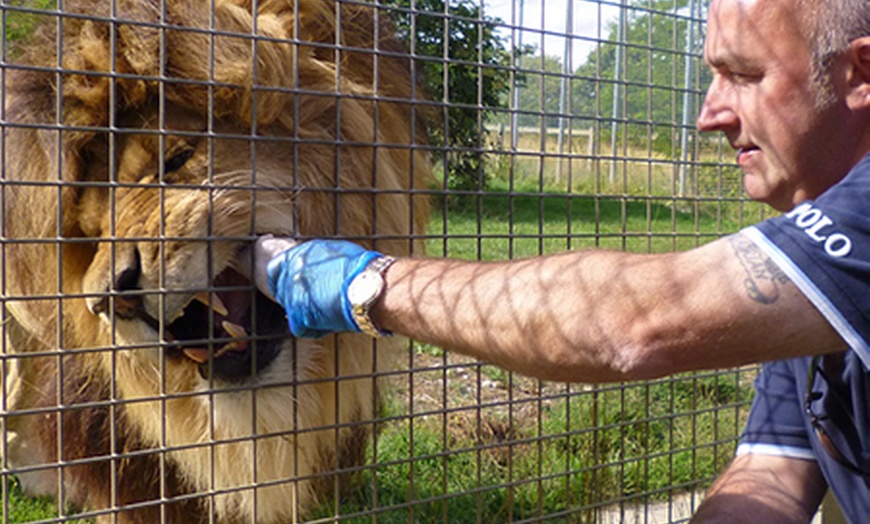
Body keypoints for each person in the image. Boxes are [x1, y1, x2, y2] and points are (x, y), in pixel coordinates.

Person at [245, 0, 870, 521]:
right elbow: (774, 471)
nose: (709, 114)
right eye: (712, 75)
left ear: (859, 72)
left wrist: (363, 282)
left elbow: (633, 325)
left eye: (744, 74)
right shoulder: (810, 268)